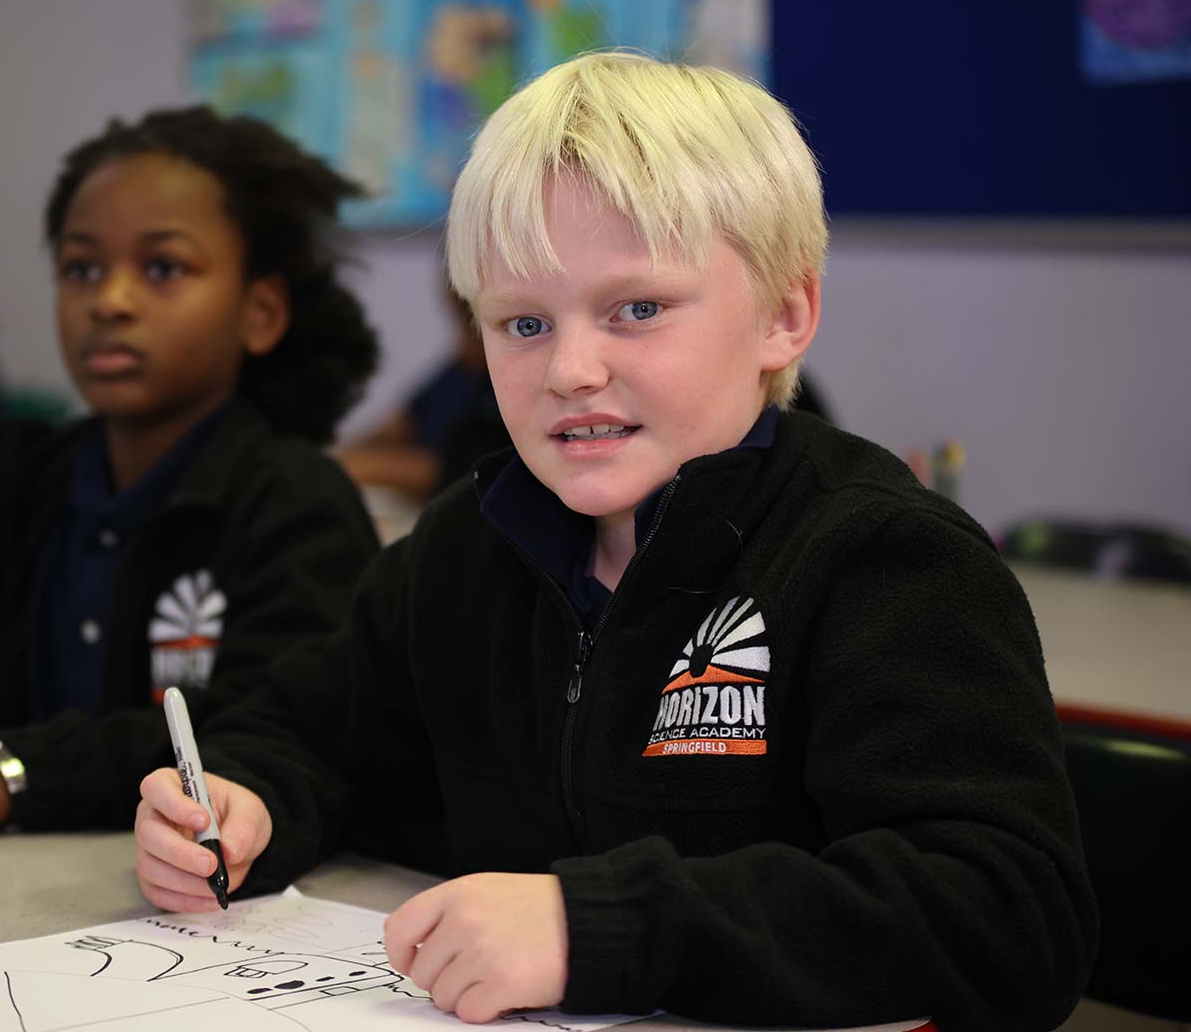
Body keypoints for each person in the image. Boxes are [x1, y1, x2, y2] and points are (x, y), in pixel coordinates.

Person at [133, 54, 1097, 1032]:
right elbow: (309, 733)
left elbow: (1008, 915)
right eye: (522, 322)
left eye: (636, 309)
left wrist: (593, 928)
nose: (571, 368)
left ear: (785, 314)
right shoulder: (463, 551)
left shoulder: (884, 560)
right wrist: (246, 806)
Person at [0, 106, 382, 831]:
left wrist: (16, 769)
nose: (109, 301)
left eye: (163, 267)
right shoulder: (20, 480)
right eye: (82, 268)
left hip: (188, 896)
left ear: (259, 312)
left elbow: (264, 720)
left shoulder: (295, 500)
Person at [337, 284, 511, 501]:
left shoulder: (505, 381)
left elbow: (452, 473)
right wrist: (339, 457)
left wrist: (346, 467)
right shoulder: (461, 365)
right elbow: (400, 425)